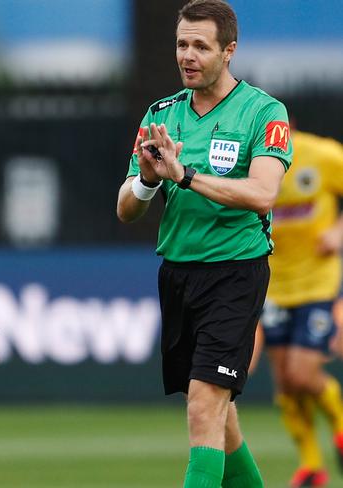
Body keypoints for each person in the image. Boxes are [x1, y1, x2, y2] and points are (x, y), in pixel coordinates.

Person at [116, 1, 292, 486]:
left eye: (200, 46)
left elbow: (262, 194)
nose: (187, 55)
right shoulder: (161, 115)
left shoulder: (263, 112)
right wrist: (150, 181)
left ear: (229, 50)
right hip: (178, 274)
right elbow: (125, 208)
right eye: (181, 44)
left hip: (236, 272)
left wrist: (186, 174)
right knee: (220, 414)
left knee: (204, 404)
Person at [258, 128, 343, 487]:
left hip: (316, 285)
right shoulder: (252, 166)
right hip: (273, 286)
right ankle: (311, 466)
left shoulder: (321, 155)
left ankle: (340, 426)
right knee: (286, 382)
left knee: (303, 373)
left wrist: (340, 231)